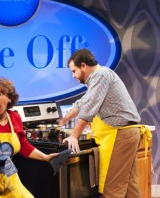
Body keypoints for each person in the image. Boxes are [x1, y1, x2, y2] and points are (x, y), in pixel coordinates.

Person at [58, 49, 151, 198]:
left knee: (112, 188)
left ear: (83, 66)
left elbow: (88, 108)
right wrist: (63, 120)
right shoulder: (98, 78)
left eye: (74, 71)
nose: (73, 76)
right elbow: (82, 103)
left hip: (120, 135)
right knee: (130, 188)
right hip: (127, 134)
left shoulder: (101, 75)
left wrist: (74, 136)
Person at [0, 76, 58, 198]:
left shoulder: (14, 118)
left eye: (1, 93)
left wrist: (46, 158)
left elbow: (23, 145)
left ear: (9, 99)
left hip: (6, 175)